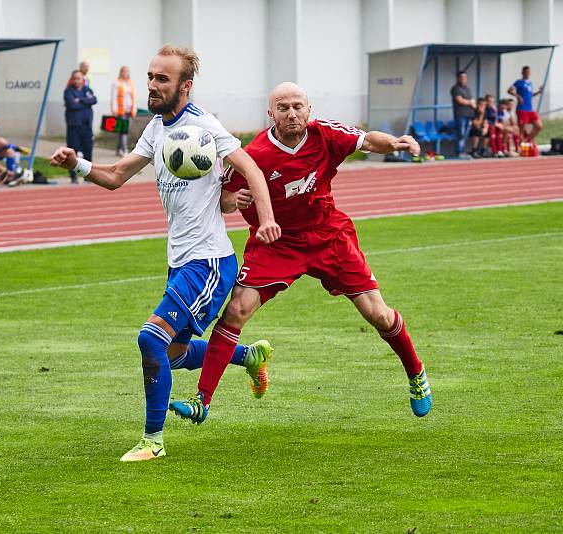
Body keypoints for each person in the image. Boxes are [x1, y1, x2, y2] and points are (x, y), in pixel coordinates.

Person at [50, 44, 281, 462]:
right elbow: (118, 176)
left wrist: (265, 219)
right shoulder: (156, 127)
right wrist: (78, 164)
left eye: (162, 79)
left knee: (149, 338)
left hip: (208, 262)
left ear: (185, 86)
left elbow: (252, 169)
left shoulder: (205, 125)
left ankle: (152, 441)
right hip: (180, 262)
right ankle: (248, 355)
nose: (152, 85)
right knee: (170, 354)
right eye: (151, 76)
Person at [169, 82, 432, 427]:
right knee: (236, 310)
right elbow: (222, 200)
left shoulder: (326, 135)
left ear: (309, 109)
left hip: (329, 236)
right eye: (283, 108)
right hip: (277, 243)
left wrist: (397, 143)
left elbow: (368, 141)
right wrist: (238, 200)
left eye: (297, 106)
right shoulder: (255, 154)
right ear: (270, 114)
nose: (291, 113)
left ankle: (416, 374)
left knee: (378, 314)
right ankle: (202, 400)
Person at [64, 70, 98, 184]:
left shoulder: (86, 90)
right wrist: (85, 103)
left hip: (86, 127)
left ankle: (87, 175)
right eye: (75, 78)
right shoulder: (68, 91)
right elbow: (72, 105)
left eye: (78, 78)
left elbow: (94, 100)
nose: (76, 80)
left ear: (82, 79)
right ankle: (73, 176)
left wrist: (81, 100)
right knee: (73, 152)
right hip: (74, 127)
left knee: (88, 150)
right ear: (72, 79)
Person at [508, 66, 544, 144]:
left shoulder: (530, 83)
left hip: (530, 109)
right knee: (522, 129)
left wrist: (539, 91)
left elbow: (530, 95)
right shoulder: (519, 82)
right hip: (522, 108)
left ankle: (527, 141)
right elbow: (509, 90)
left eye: (529, 72)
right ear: (522, 73)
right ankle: (521, 145)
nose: (527, 73)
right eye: (526, 72)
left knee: (539, 126)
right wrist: (518, 96)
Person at [111, 66, 137, 156]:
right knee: (124, 130)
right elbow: (114, 97)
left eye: (127, 71)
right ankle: (124, 149)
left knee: (123, 130)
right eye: (124, 71)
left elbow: (133, 97)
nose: (126, 73)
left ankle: (119, 150)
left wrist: (134, 109)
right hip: (120, 111)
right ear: (121, 72)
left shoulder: (130, 83)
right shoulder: (116, 83)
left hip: (129, 110)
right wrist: (114, 110)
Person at [451, 71, 476, 159]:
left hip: (469, 115)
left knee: (465, 134)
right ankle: (459, 152)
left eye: (465, 77)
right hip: (460, 115)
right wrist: (470, 102)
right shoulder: (456, 88)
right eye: (462, 77)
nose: (464, 79)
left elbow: (472, 99)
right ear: (458, 78)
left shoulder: (467, 88)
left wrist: (472, 103)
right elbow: (459, 100)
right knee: (460, 134)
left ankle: (463, 151)